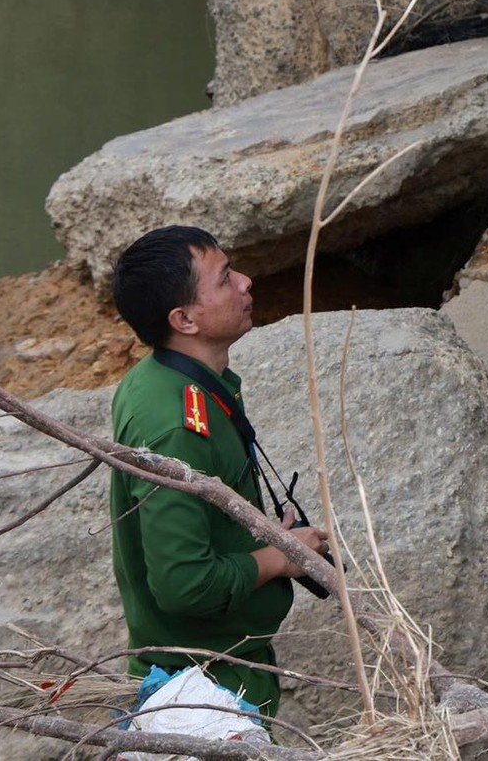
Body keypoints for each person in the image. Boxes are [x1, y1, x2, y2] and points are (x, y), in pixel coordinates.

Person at [107, 225, 328, 719]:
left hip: (218, 663)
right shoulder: (175, 426)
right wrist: (280, 559)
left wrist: (264, 537)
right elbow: (183, 583)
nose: (246, 282)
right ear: (184, 319)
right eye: (226, 279)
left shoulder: (161, 380)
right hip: (205, 684)